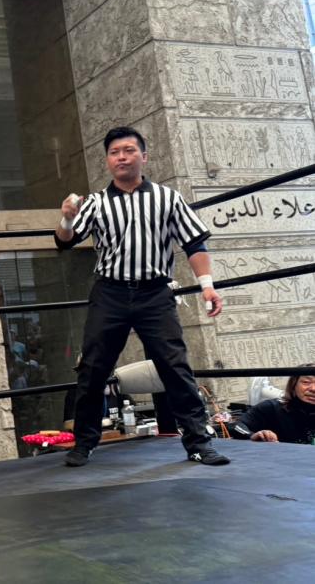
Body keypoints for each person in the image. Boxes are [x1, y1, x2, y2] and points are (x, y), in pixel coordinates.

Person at [55, 126, 230, 467]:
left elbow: (195, 243)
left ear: (144, 156)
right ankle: (85, 443)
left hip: (155, 293)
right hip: (110, 292)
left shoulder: (168, 198)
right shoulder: (96, 202)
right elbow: (64, 242)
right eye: (114, 152)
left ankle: (199, 442)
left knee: (175, 366)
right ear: (108, 160)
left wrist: (207, 285)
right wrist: (66, 218)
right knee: (92, 367)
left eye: (129, 150)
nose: (121, 157)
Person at [235, 364, 315, 444]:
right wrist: (251, 435)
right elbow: (235, 426)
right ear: (293, 385)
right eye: (306, 382)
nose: (313, 389)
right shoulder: (272, 408)